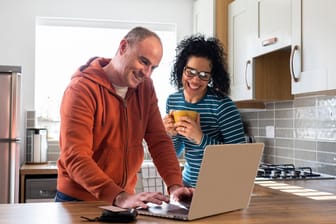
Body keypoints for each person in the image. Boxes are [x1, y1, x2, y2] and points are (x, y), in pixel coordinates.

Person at [56, 26, 193, 208]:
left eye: (153, 67)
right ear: (123, 47)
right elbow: (75, 156)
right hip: (79, 200)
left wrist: (175, 186)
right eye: (144, 61)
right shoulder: (81, 89)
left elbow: (159, 141)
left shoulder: (145, 88)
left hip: (123, 201)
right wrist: (118, 196)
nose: (147, 73)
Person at [163, 34, 246, 188]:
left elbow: (239, 159)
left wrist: (200, 138)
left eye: (203, 75)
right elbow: (175, 152)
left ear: (211, 77)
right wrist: (171, 135)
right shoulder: (173, 101)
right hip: (186, 184)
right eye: (190, 72)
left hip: (218, 188)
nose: (195, 80)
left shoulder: (222, 106)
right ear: (182, 69)